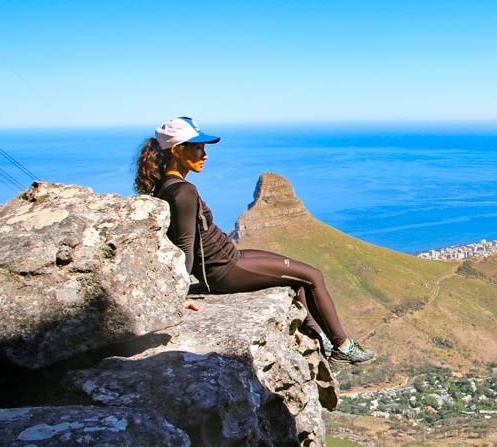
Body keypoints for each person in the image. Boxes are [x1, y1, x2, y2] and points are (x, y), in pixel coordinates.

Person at [134, 116, 375, 364]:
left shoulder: (167, 186)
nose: (204, 155)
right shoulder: (183, 191)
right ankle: (343, 347)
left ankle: (320, 339)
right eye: (198, 148)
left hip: (229, 258)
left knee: (299, 275)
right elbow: (184, 245)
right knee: (313, 275)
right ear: (177, 149)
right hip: (224, 270)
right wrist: (178, 297)